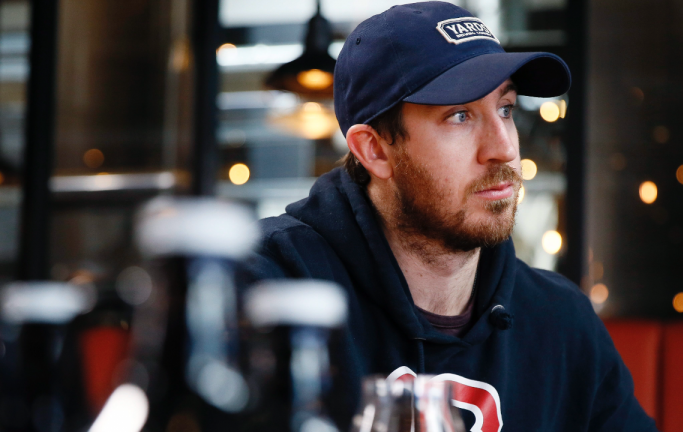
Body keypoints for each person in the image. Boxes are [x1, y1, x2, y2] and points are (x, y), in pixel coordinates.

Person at [250, 2, 658, 431]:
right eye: (460, 116)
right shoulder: (268, 292)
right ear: (375, 149)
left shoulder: (559, 322)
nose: (503, 148)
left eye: (506, 109)